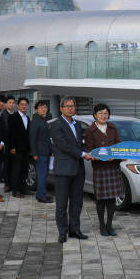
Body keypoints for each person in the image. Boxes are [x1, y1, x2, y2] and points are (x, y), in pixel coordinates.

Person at [51, 96, 88, 243]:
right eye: (67, 106)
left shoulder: (78, 124)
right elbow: (64, 145)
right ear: (61, 108)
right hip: (63, 170)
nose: (70, 108)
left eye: (72, 106)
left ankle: (75, 230)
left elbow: (80, 144)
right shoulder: (56, 125)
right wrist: (83, 154)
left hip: (78, 169)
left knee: (77, 202)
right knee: (61, 204)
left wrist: (93, 153)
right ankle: (62, 232)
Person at [85, 103, 124, 237]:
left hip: (113, 167)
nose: (103, 116)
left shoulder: (113, 128)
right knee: (101, 199)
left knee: (112, 199)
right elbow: (89, 151)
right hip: (100, 169)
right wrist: (101, 157)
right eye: (100, 113)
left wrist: (117, 157)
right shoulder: (90, 131)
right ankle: (102, 225)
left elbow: (118, 147)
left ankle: (109, 224)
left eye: (106, 113)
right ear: (95, 115)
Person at [29, 99, 53, 203]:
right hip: (39, 153)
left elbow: (47, 138)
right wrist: (34, 153)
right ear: (36, 109)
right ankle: (41, 196)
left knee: (44, 174)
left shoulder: (43, 120)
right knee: (42, 175)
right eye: (41, 108)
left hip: (46, 152)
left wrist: (51, 150)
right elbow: (32, 138)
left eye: (45, 107)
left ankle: (42, 194)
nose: (43, 109)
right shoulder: (35, 121)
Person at [8, 97, 31, 198]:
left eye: (26, 104)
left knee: (25, 169)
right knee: (16, 170)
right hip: (16, 148)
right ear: (18, 106)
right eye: (22, 104)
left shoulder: (28, 118)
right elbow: (10, 134)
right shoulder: (13, 117)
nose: (24, 106)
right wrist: (12, 147)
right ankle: (15, 190)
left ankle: (23, 188)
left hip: (26, 149)